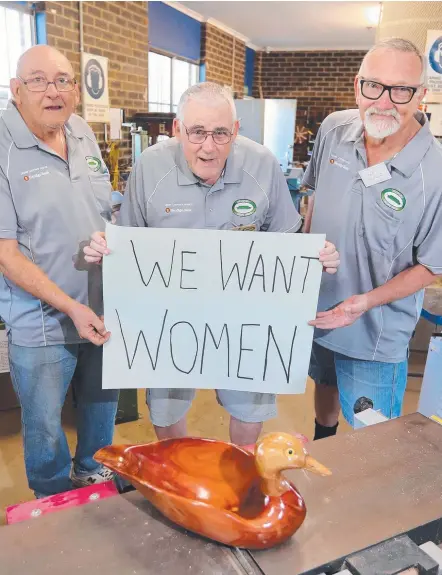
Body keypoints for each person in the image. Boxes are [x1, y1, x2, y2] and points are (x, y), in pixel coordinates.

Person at [84, 82, 340, 446]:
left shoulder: (262, 165)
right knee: (167, 409)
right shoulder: (150, 168)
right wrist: (105, 248)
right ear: (177, 129)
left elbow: (289, 240)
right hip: (168, 319)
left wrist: (318, 256)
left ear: (235, 131)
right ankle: (177, 482)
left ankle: (243, 480)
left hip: (245, 319)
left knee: (249, 409)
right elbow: (127, 244)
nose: (209, 145)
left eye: (221, 133)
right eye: (197, 132)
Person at [303, 38, 442, 438]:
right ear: (356, 85)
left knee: (372, 435)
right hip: (317, 310)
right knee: (324, 386)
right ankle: (321, 447)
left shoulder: (432, 173)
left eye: (401, 90)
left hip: (374, 332)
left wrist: (363, 302)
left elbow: (430, 265)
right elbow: (314, 198)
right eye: (373, 86)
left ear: (421, 96)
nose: (384, 101)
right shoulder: (334, 129)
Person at [0, 45, 119, 498]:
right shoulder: (3, 147)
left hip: (101, 310)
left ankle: (95, 477)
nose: (54, 92)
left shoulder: (82, 131)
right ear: (16, 90)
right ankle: (52, 504)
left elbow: (102, 209)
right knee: (45, 427)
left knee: (101, 409)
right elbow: (7, 255)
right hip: (43, 323)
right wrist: (70, 306)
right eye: (39, 81)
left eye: (64, 80)